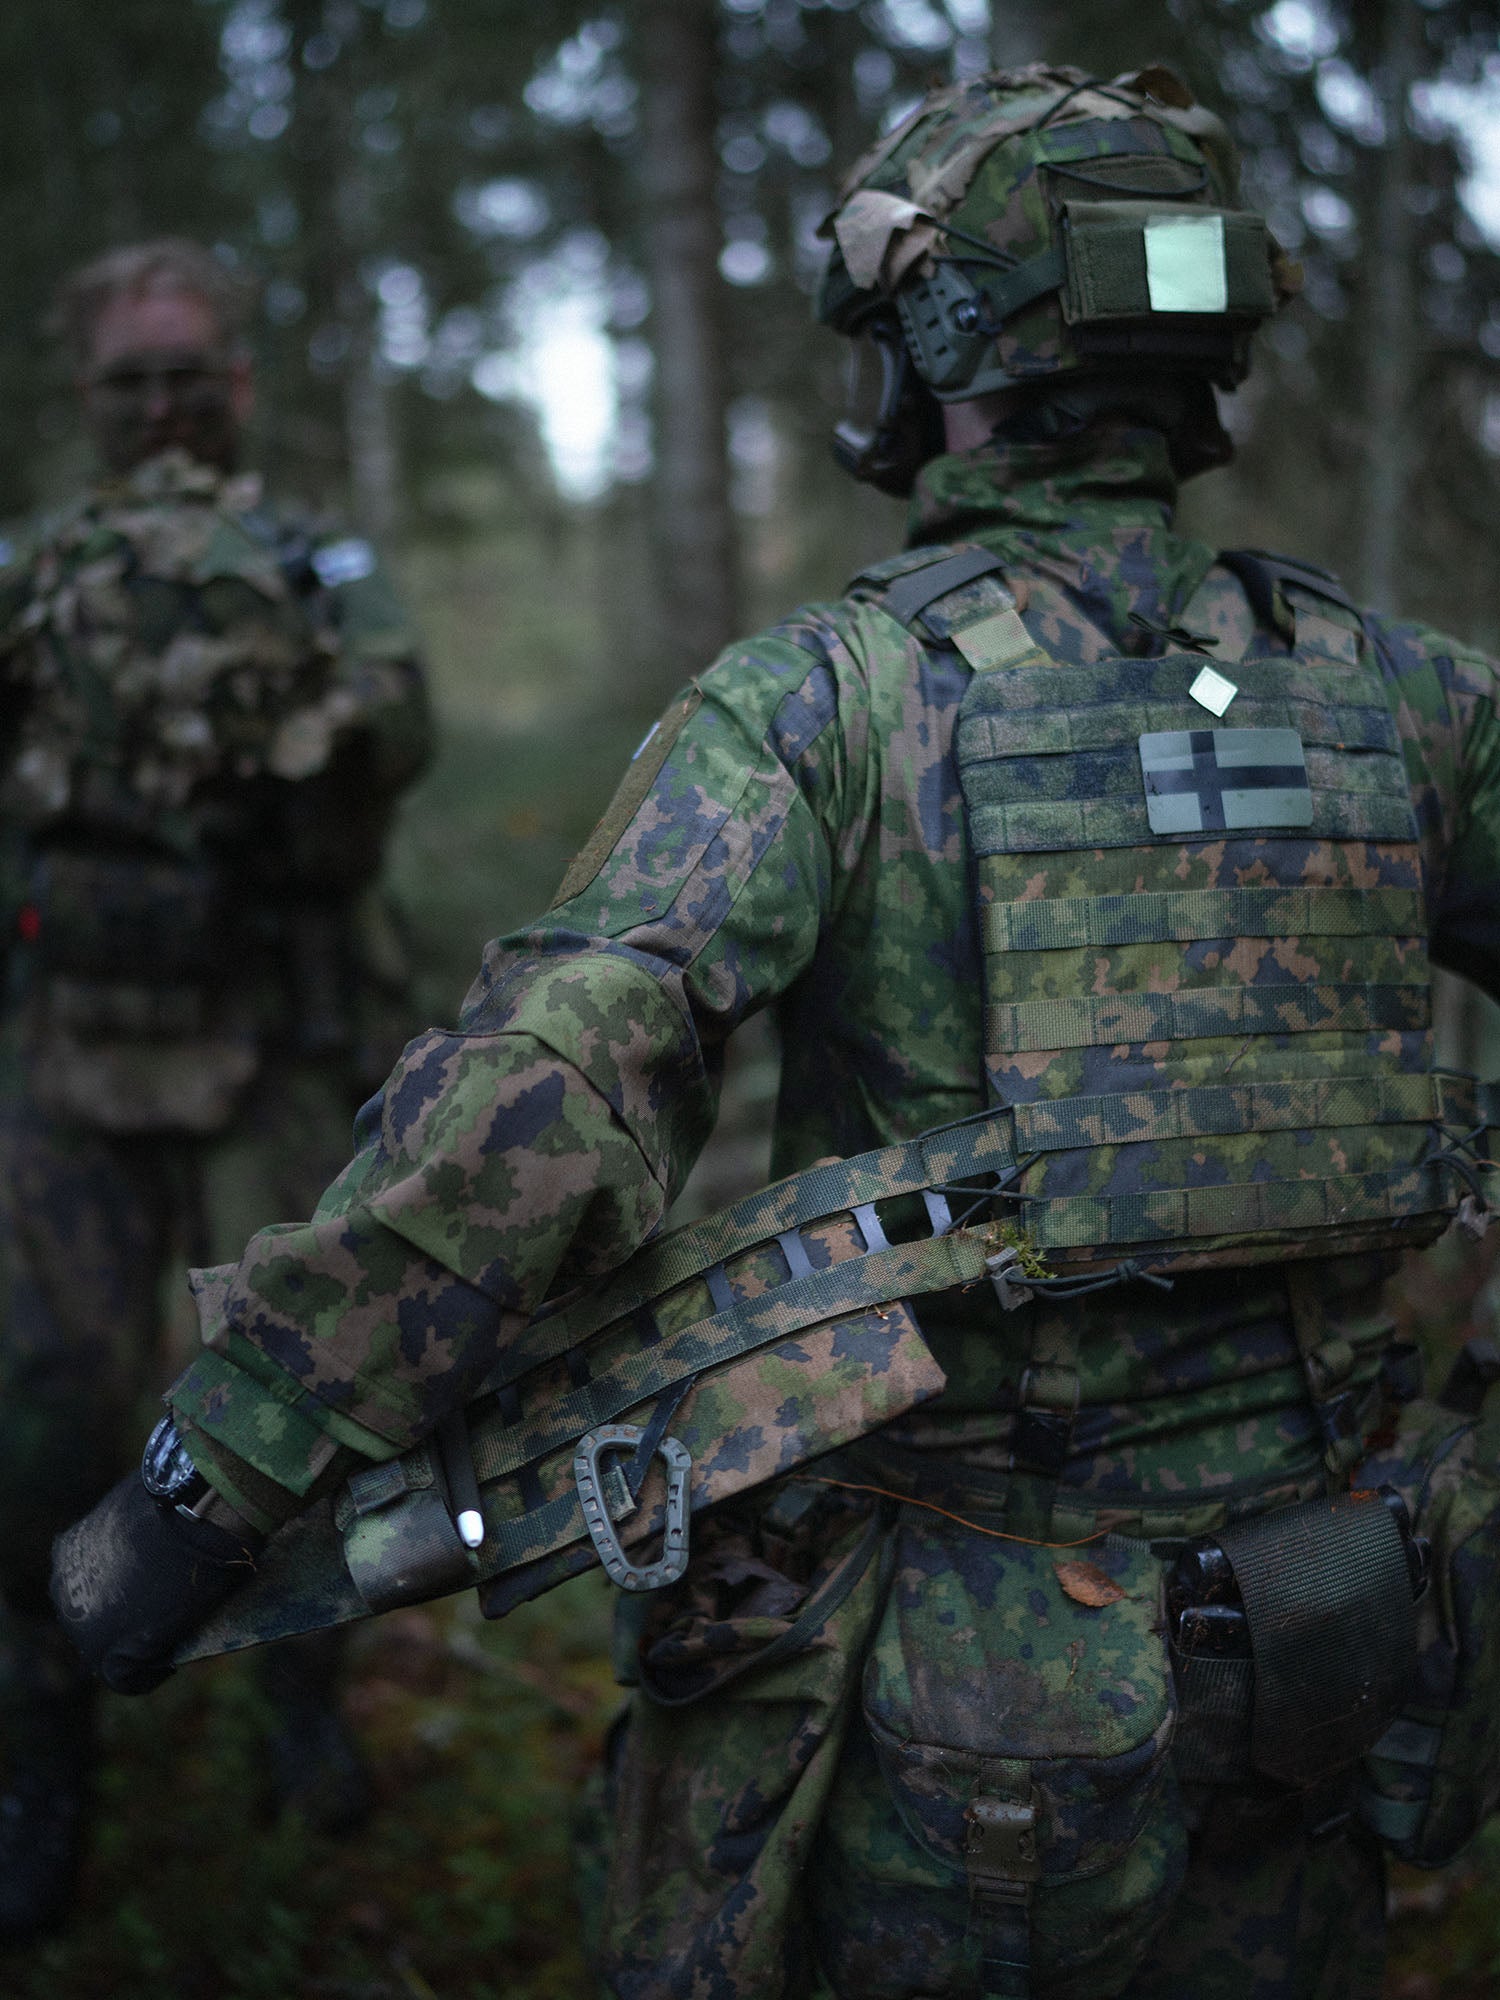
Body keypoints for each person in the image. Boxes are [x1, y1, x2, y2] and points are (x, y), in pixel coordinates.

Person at [49, 67, 1500, 1999]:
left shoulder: (830, 701)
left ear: (933, 352)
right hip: (1342, 1647)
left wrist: (205, 1478)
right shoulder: (1413, 704)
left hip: (970, 1704)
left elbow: (543, 1105)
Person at [0, 238, 432, 1939]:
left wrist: (252, 689)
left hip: (268, 1038)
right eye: (131, 380)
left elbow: (401, 723)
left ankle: (295, 1704)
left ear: (240, 384)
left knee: (278, 1402)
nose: (165, 404)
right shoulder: (35, 566)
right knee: (35, 1418)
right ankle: (43, 1750)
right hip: (68, 1058)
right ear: (86, 394)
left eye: (192, 373)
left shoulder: (317, 564)